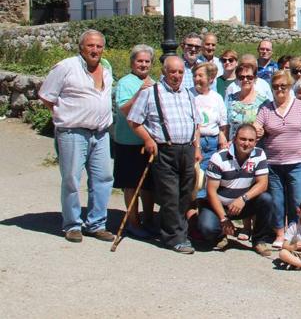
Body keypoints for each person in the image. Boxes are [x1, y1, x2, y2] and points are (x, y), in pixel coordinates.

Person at [39, 29, 115, 243]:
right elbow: (46, 96)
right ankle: (72, 225)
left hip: (100, 133)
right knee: (72, 179)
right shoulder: (66, 67)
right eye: (90, 45)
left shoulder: (106, 68)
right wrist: (63, 115)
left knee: (103, 178)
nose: (95, 50)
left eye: (99, 46)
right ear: (81, 47)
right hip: (73, 132)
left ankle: (96, 224)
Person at [127, 55, 202, 254]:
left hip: (187, 149)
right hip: (165, 150)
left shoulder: (188, 94)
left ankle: (180, 232)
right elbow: (134, 121)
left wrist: (197, 147)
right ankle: (174, 238)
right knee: (170, 194)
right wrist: (149, 139)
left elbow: (196, 124)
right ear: (163, 72)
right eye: (172, 72)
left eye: (179, 72)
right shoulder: (151, 93)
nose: (176, 76)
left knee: (186, 194)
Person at [254, 70, 301, 248]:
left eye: (284, 86)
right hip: (273, 163)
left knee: (298, 200)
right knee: (277, 201)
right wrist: (257, 129)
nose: (280, 89)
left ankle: (296, 234)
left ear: (290, 87)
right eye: (276, 86)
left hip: (296, 162)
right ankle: (280, 234)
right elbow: (257, 126)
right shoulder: (265, 107)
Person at [197, 124, 274, 256]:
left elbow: (263, 184)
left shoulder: (259, 154)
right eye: (242, 139)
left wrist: (243, 199)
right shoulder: (219, 157)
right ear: (234, 139)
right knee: (207, 229)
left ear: (255, 141)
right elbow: (211, 192)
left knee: (266, 199)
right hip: (217, 206)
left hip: (240, 205)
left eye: (251, 140)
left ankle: (259, 241)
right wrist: (223, 218)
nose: (246, 143)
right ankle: (220, 235)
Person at [112, 44, 156, 239]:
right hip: (128, 141)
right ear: (132, 62)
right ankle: (133, 222)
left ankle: (148, 219)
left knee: (148, 185)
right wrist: (140, 92)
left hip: (148, 141)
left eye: (147, 61)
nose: (143, 65)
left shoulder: (153, 82)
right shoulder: (125, 83)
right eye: (140, 61)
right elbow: (124, 109)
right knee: (131, 185)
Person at [191, 62, 229, 201]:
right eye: (195, 75)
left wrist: (222, 137)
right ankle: (193, 213)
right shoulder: (189, 95)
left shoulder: (216, 97)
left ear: (210, 79)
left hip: (212, 142)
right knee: (195, 179)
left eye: (200, 75)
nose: (197, 79)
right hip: (195, 142)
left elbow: (222, 122)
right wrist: (197, 147)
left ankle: (204, 212)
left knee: (209, 178)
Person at [224, 56, 271, 143]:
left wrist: (263, 131)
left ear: (255, 78)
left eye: (249, 77)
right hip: (232, 146)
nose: (245, 80)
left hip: (255, 147)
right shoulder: (231, 98)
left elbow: (269, 126)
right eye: (242, 77)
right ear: (237, 79)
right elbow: (225, 123)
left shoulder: (263, 102)